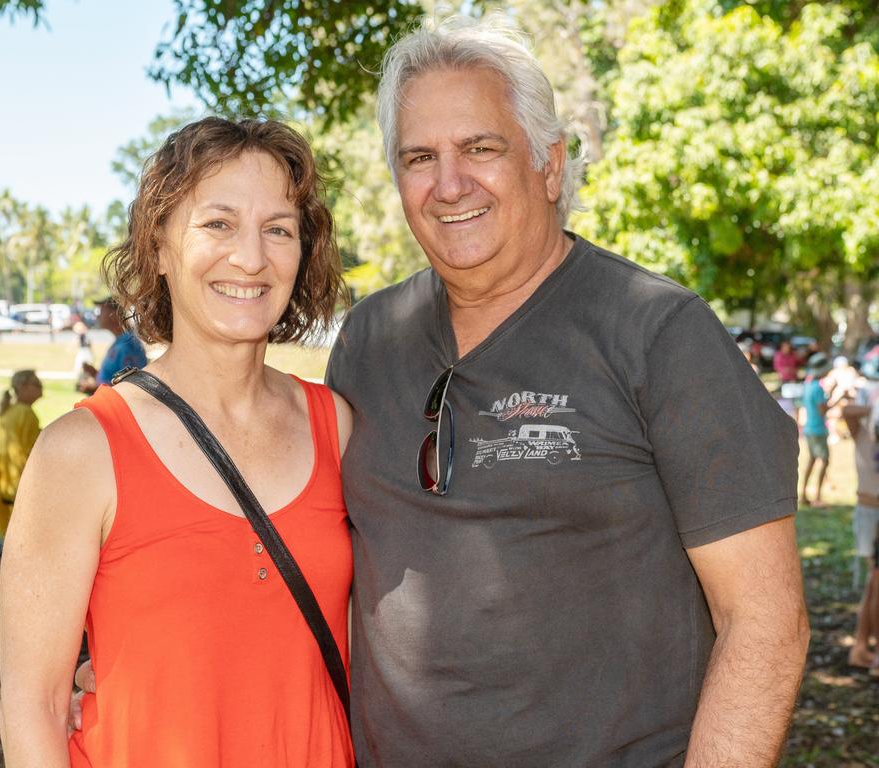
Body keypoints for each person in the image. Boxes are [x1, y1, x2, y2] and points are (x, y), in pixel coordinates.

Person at [324, 16, 806, 767]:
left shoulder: (658, 332)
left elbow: (766, 620)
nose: (449, 183)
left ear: (549, 165)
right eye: (420, 157)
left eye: (480, 147)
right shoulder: (367, 340)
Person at [0, 118, 354, 767]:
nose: (250, 257)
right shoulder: (81, 453)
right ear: (160, 246)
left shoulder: (340, 428)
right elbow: (35, 708)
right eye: (217, 224)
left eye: (277, 229)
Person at [843, 359, 879, 668]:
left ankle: (860, 646)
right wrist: (873, 411)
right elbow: (847, 412)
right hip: (870, 511)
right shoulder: (865, 432)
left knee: (874, 584)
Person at [0, 370, 43, 537]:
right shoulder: (26, 413)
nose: (41, 388)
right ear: (24, 387)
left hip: (5, 481)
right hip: (20, 481)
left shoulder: (10, 411)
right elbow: (31, 450)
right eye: (37, 384)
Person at [76, 298, 147, 394]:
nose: (98, 316)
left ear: (113, 315)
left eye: (101, 311)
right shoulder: (122, 341)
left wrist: (94, 389)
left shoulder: (128, 344)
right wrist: (95, 374)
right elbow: (115, 376)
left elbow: (130, 385)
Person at [800, 353, 844, 506]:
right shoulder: (818, 388)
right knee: (824, 461)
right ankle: (817, 497)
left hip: (809, 428)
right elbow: (823, 410)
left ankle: (803, 495)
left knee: (811, 461)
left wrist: (831, 393)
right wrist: (838, 398)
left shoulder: (808, 385)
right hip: (818, 429)